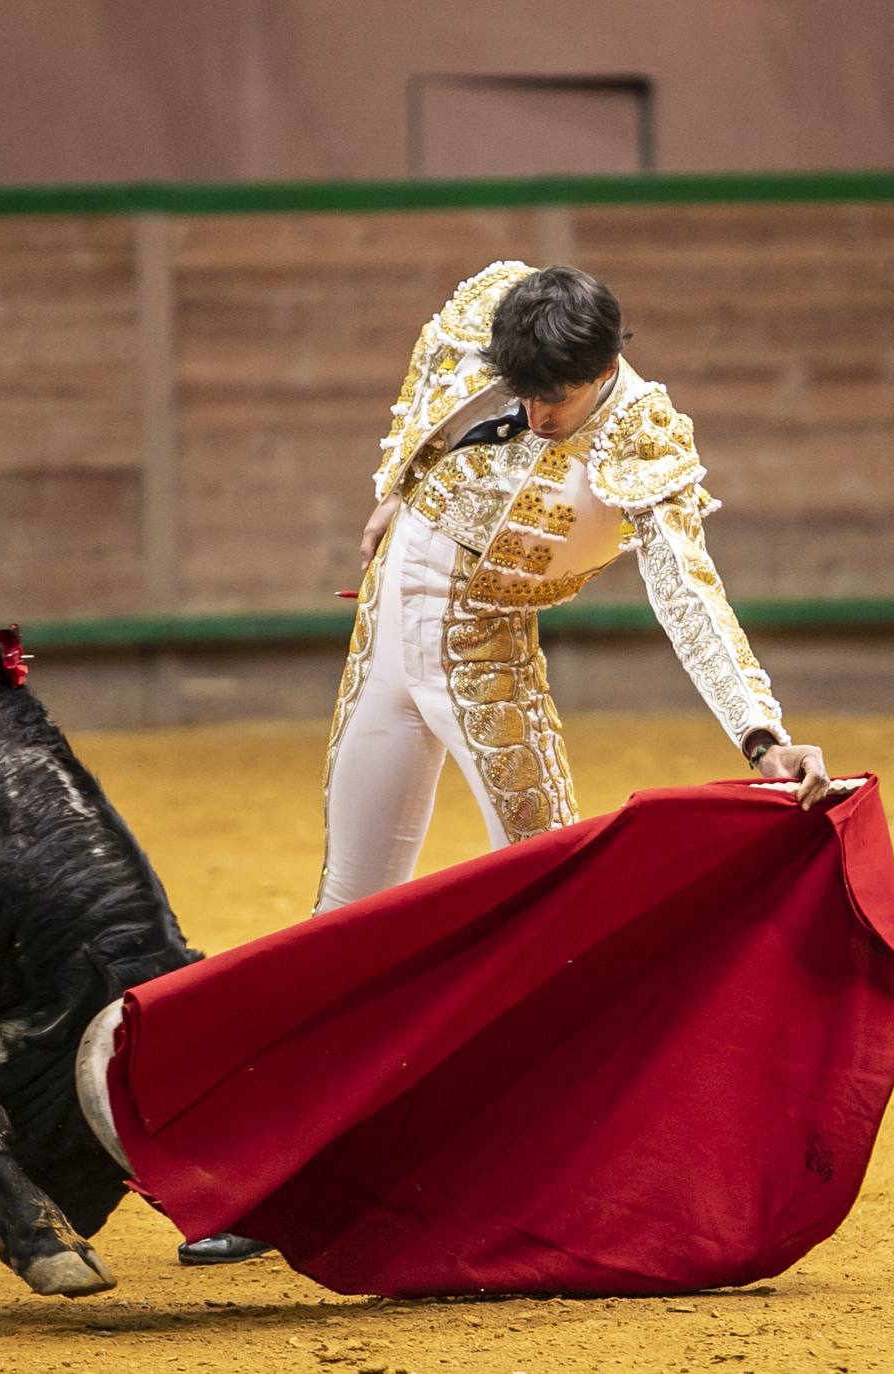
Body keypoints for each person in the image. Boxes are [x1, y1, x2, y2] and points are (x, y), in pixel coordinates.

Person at [177, 262, 833, 1266]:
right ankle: (273, 1184)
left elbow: (685, 592)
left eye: (552, 397)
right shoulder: (502, 311)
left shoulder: (642, 436)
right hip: (390, 635)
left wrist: (757, 731)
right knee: (345, 909)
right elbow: (432, 369)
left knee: (555, 918)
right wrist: (395, 486)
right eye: (519, 388)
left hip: (483, 656)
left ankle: (549, 1179)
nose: (531, 413)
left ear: (605, 368)